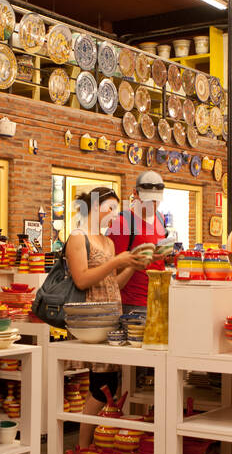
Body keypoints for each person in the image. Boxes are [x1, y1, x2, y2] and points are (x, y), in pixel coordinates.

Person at [64, 186, 142, 438]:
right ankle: (83, 443)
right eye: (110, 208)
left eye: (116, 210)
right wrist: (116, 262)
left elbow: (112, 284)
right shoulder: (78, 237)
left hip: (111, 318)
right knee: (102, 385)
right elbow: (82, 280)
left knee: (108, 383)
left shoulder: (108, 241)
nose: (114, 214)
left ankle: (89, 441)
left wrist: (132, 265)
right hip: (91, 321)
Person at [108, 171, 169, 319]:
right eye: (148, 200)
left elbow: (158, 262)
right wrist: (139, 261)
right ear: (135, 193)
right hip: (133, 304)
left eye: (156, 200)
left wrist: (168, 258)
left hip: (160, 299)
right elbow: (112, 269)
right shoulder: (122, 222)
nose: (153, 205)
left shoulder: (160, 218)